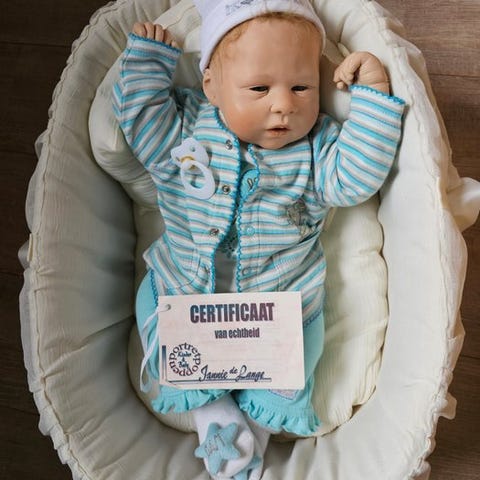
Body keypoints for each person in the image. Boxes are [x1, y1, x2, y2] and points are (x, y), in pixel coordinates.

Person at [113, 1, 405, 478]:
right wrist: (148, 62)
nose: (283, 104)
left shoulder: (315, 150)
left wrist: (372, 94)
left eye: (301, 87)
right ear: (212, 87)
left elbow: (357, 177)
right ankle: (213, 414)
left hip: (281, 303)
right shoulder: (186, 129)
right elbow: (140, 122)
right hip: (183, 287)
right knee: (155, 312)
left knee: (295, 359)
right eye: (259, 89)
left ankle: (255, 429)